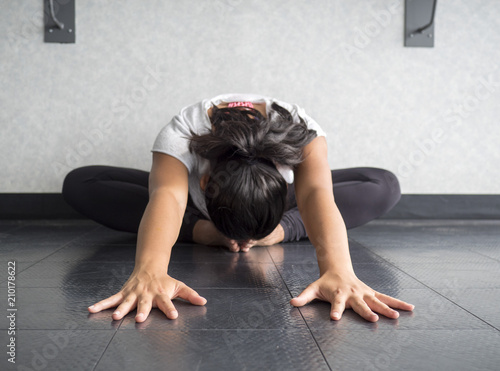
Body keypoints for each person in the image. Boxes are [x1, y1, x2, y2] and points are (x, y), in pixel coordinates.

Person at [62, 93, 414, 323]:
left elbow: (316, 193)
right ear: (203, 182)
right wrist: (151, 270)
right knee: (83, 183)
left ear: (283, 173)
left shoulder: (298, 129)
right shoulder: (182, 131)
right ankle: (200, 230)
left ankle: (277, 229)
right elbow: (168, 196)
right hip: (195, 207)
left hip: (269, 194)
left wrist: (340, 271)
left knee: (383, 184)